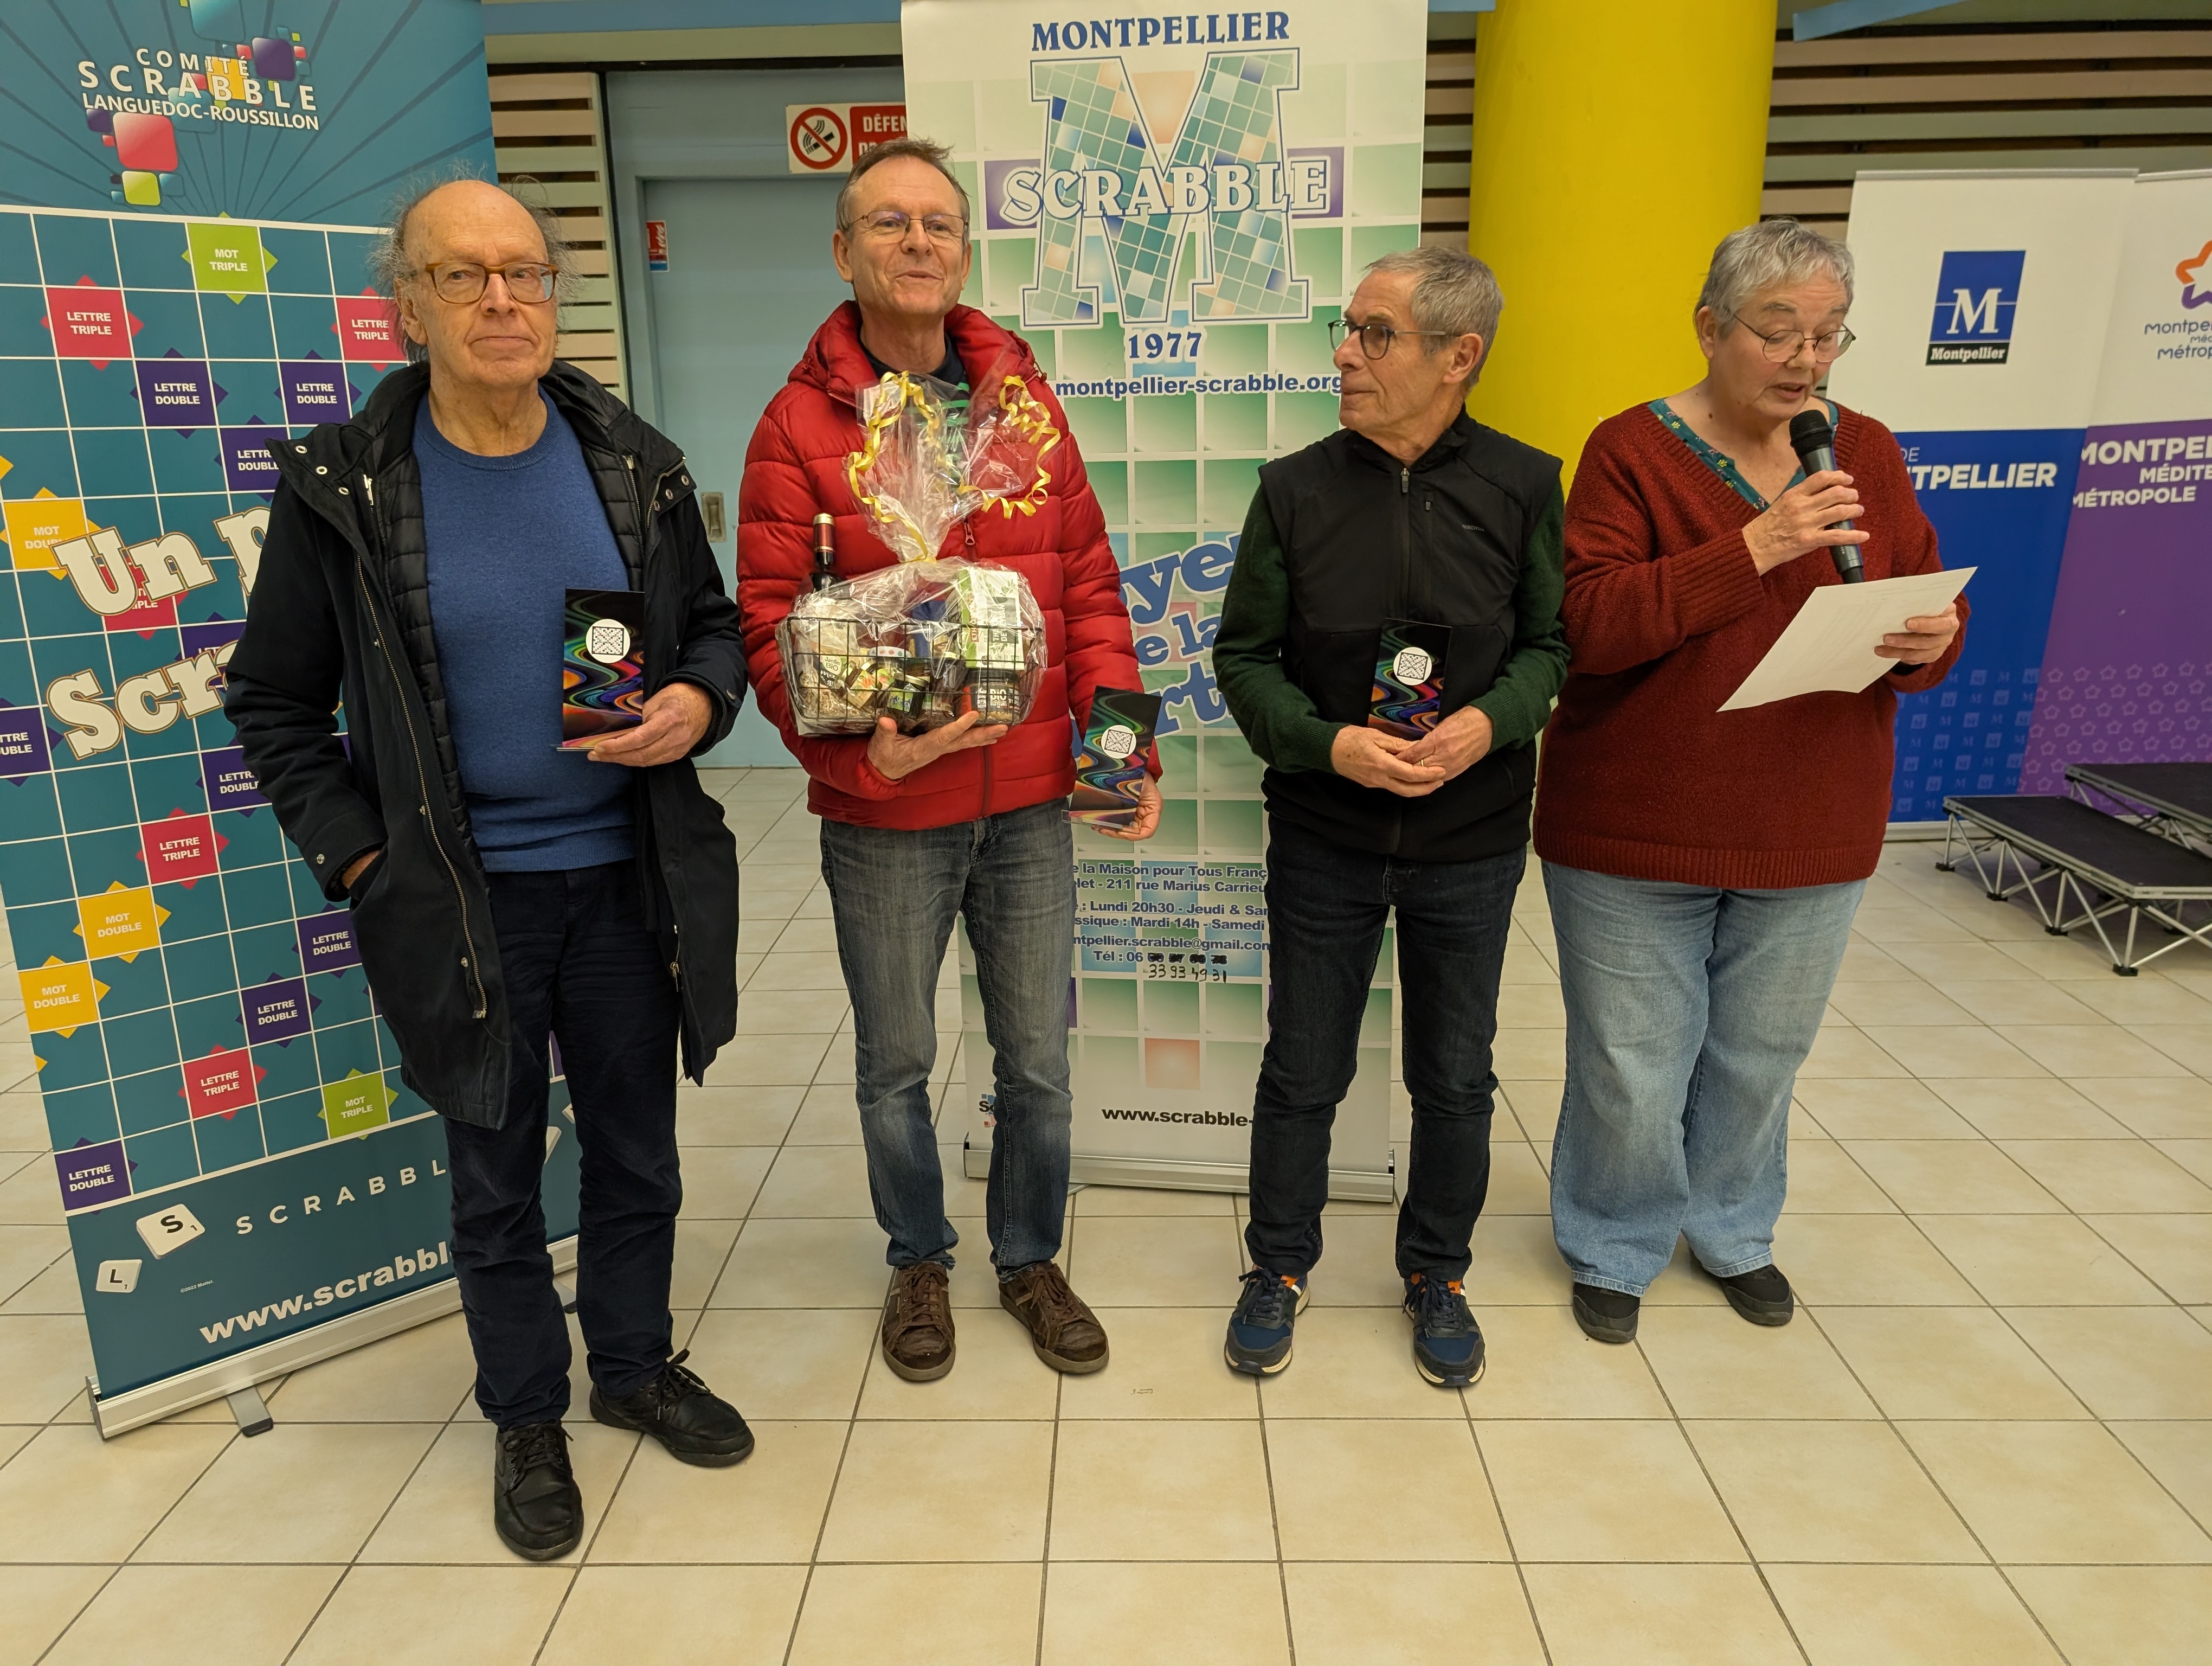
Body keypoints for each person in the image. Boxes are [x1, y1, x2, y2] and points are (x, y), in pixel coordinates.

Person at [227, 178, 753, 1562]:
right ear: (408, 306)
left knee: (638, 1154)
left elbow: (712, 629)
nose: (502, 300)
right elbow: (273, 702)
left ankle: (631, 1367)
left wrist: (699, 700)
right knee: (497, 1176)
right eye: (462, 276)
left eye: (524, 271)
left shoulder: (630, 460)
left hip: (628, 880)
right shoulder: (348, 488)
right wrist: (362, 857)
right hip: (464, 901)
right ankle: (527, 1415)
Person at [735, 137, 1158, 1383]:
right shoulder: (797, 425)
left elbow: (1087, 584)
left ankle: (1028, 1257)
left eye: (939, 224)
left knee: (1039, 1064)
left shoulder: (1022, 405)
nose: (918, 241)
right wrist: (859, 754)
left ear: (965, 252)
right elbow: (767, 625)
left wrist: (1120, 748)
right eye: (889, 223)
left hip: (1026, 802)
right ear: (843, 250)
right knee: (896, 1065)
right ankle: (918, 1257)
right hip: (887, 812)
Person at [1535, 218, 1966, 1344]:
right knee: (1632, 1061)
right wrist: (1759, 547)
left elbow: (1923, 589)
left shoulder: (1865, 450)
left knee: (1762, 1056)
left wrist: (1932, 639)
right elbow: (1591, 625)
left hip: (1812, 818)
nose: (1806, 360)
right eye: (1779, 332)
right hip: (1635, 822)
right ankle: (1615, 1239)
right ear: (1710, 327)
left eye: (1828, 336)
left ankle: (1732, 1230)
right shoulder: (1629, 451)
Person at [1211, 247, 1568, 1387]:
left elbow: (1550, 648)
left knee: (1455, 1077)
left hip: (1472, 840)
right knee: (1302, 1068)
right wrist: (1330, 745)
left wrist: (1489, 724)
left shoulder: (1524, 484)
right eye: (1348, 329)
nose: (1345, 356)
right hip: (1326, 833)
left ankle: (1437, 1273)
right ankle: (1279, 1264)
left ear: (1459, 357)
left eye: (1376, 335)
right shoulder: (1294, 491)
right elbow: (1243, 659)